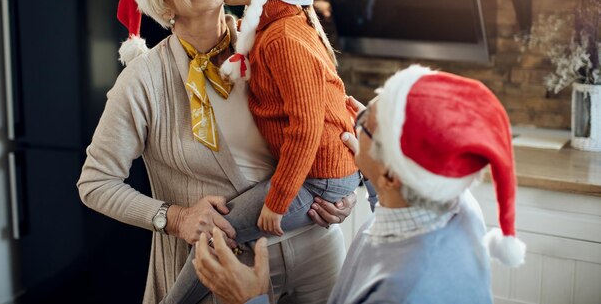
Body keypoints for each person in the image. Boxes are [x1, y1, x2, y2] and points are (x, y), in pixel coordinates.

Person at [76, 0, 356, 304]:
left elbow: (327, 122)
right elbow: (95, 184)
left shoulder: (270, 41)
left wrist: (343, 191)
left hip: (317, 249)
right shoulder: (143, 81)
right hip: (224, 273)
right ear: (161, 3)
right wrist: (175, 218)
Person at [192, 65, 528, 304]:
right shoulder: (454, 203)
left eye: (365, 125)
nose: (352, 118)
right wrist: (372, 165)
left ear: (392, 175)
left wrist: (250, 299)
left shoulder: (401, 290)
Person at [161, 0, 361, 304]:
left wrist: (278, 201)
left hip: (314, 181)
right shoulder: (270, 28)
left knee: (212, 234)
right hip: (319, 176)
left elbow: (307, 127)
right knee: (215, 235)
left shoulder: (282, 38)